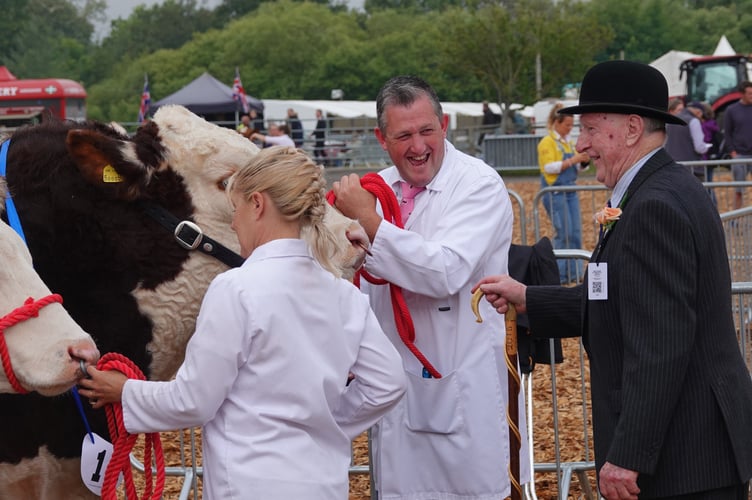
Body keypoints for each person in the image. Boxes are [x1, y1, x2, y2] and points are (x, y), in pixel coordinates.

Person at [473, 61, 752, 500]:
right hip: (690, 453)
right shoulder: (659, 190)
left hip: (683, 461)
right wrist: (530, 298)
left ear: (632, 129)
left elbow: (661, 345)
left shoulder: (653, 208)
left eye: (589, 129)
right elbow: (621, 300)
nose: (581, 144)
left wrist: (629, 457)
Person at [78, 146, 407, 499]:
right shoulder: (343, 295)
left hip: (251, 482)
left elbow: (194, 400)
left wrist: (124, 391)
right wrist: (326, 423)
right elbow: (388, 383)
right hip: (323, 481)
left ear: (258, 204)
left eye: (236, 210)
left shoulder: (235, 289)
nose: (234, 224)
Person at [332, 75, 529, 500]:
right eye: (403, 135)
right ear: (381, 138)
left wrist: (370, 222)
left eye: (426, 131)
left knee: (466, 489)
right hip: (391, 381)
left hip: (459, 380)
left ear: (445, 124)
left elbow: (445, 272)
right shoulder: (378, 189)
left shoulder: (478, 184)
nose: (418, 146)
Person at [538, 102, 590, 284]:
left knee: (575, 233)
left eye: (571, 125)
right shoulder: (547, 142)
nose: (569, 128)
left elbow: (578, 168)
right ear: (556, 122)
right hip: (556, 193)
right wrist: (574, 160)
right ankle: (559, 276)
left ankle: (575, 274)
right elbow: (549, 167)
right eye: (567, 125)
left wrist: (583, 162)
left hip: (570, 191)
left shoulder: (568, 143)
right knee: (563, 234)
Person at [664, 100, 710, 182]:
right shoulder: (693, 121)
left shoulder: (669, 122)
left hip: (672, 167)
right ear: (699, 112)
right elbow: (699, 147)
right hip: (692, 169)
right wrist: (706, 147)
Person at [723, 80, 752, 209]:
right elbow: (727, 133)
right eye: (750, 94)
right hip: (740, 155)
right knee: (739, 190)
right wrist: (733, 152)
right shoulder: (731, 110)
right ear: (742, 94)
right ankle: (736, 218)